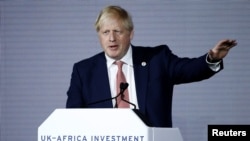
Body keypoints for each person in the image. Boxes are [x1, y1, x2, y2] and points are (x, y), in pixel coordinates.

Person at [66, 5, 237, 127]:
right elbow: (71, 119)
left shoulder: (157, 59)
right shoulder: (84, 71)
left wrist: (212, 57)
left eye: (117, 31)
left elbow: (189, 70)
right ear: (99, 36)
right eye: (105, 32)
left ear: (130, 33)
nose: (112, 38)